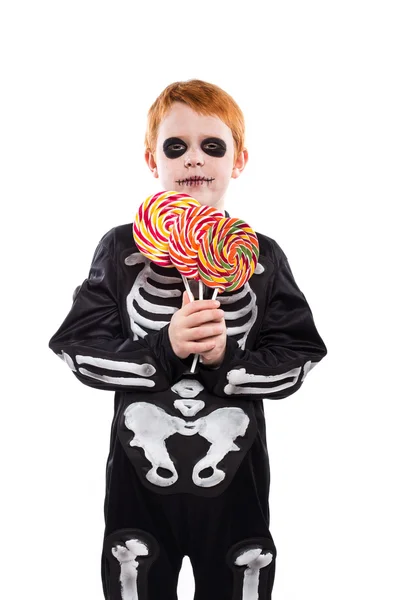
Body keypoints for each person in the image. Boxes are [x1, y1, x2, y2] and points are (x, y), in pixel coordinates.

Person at [48, 79, 328, 600]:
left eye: (211, 146)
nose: (193, 159)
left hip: (236, 472)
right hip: (139, 472)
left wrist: (227, 357)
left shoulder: (259, 256)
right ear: (152, 160)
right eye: (176, 147)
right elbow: (76, 347)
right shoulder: (121, 247)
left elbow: (301, 354)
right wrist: (165, 348)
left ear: (238, 160)